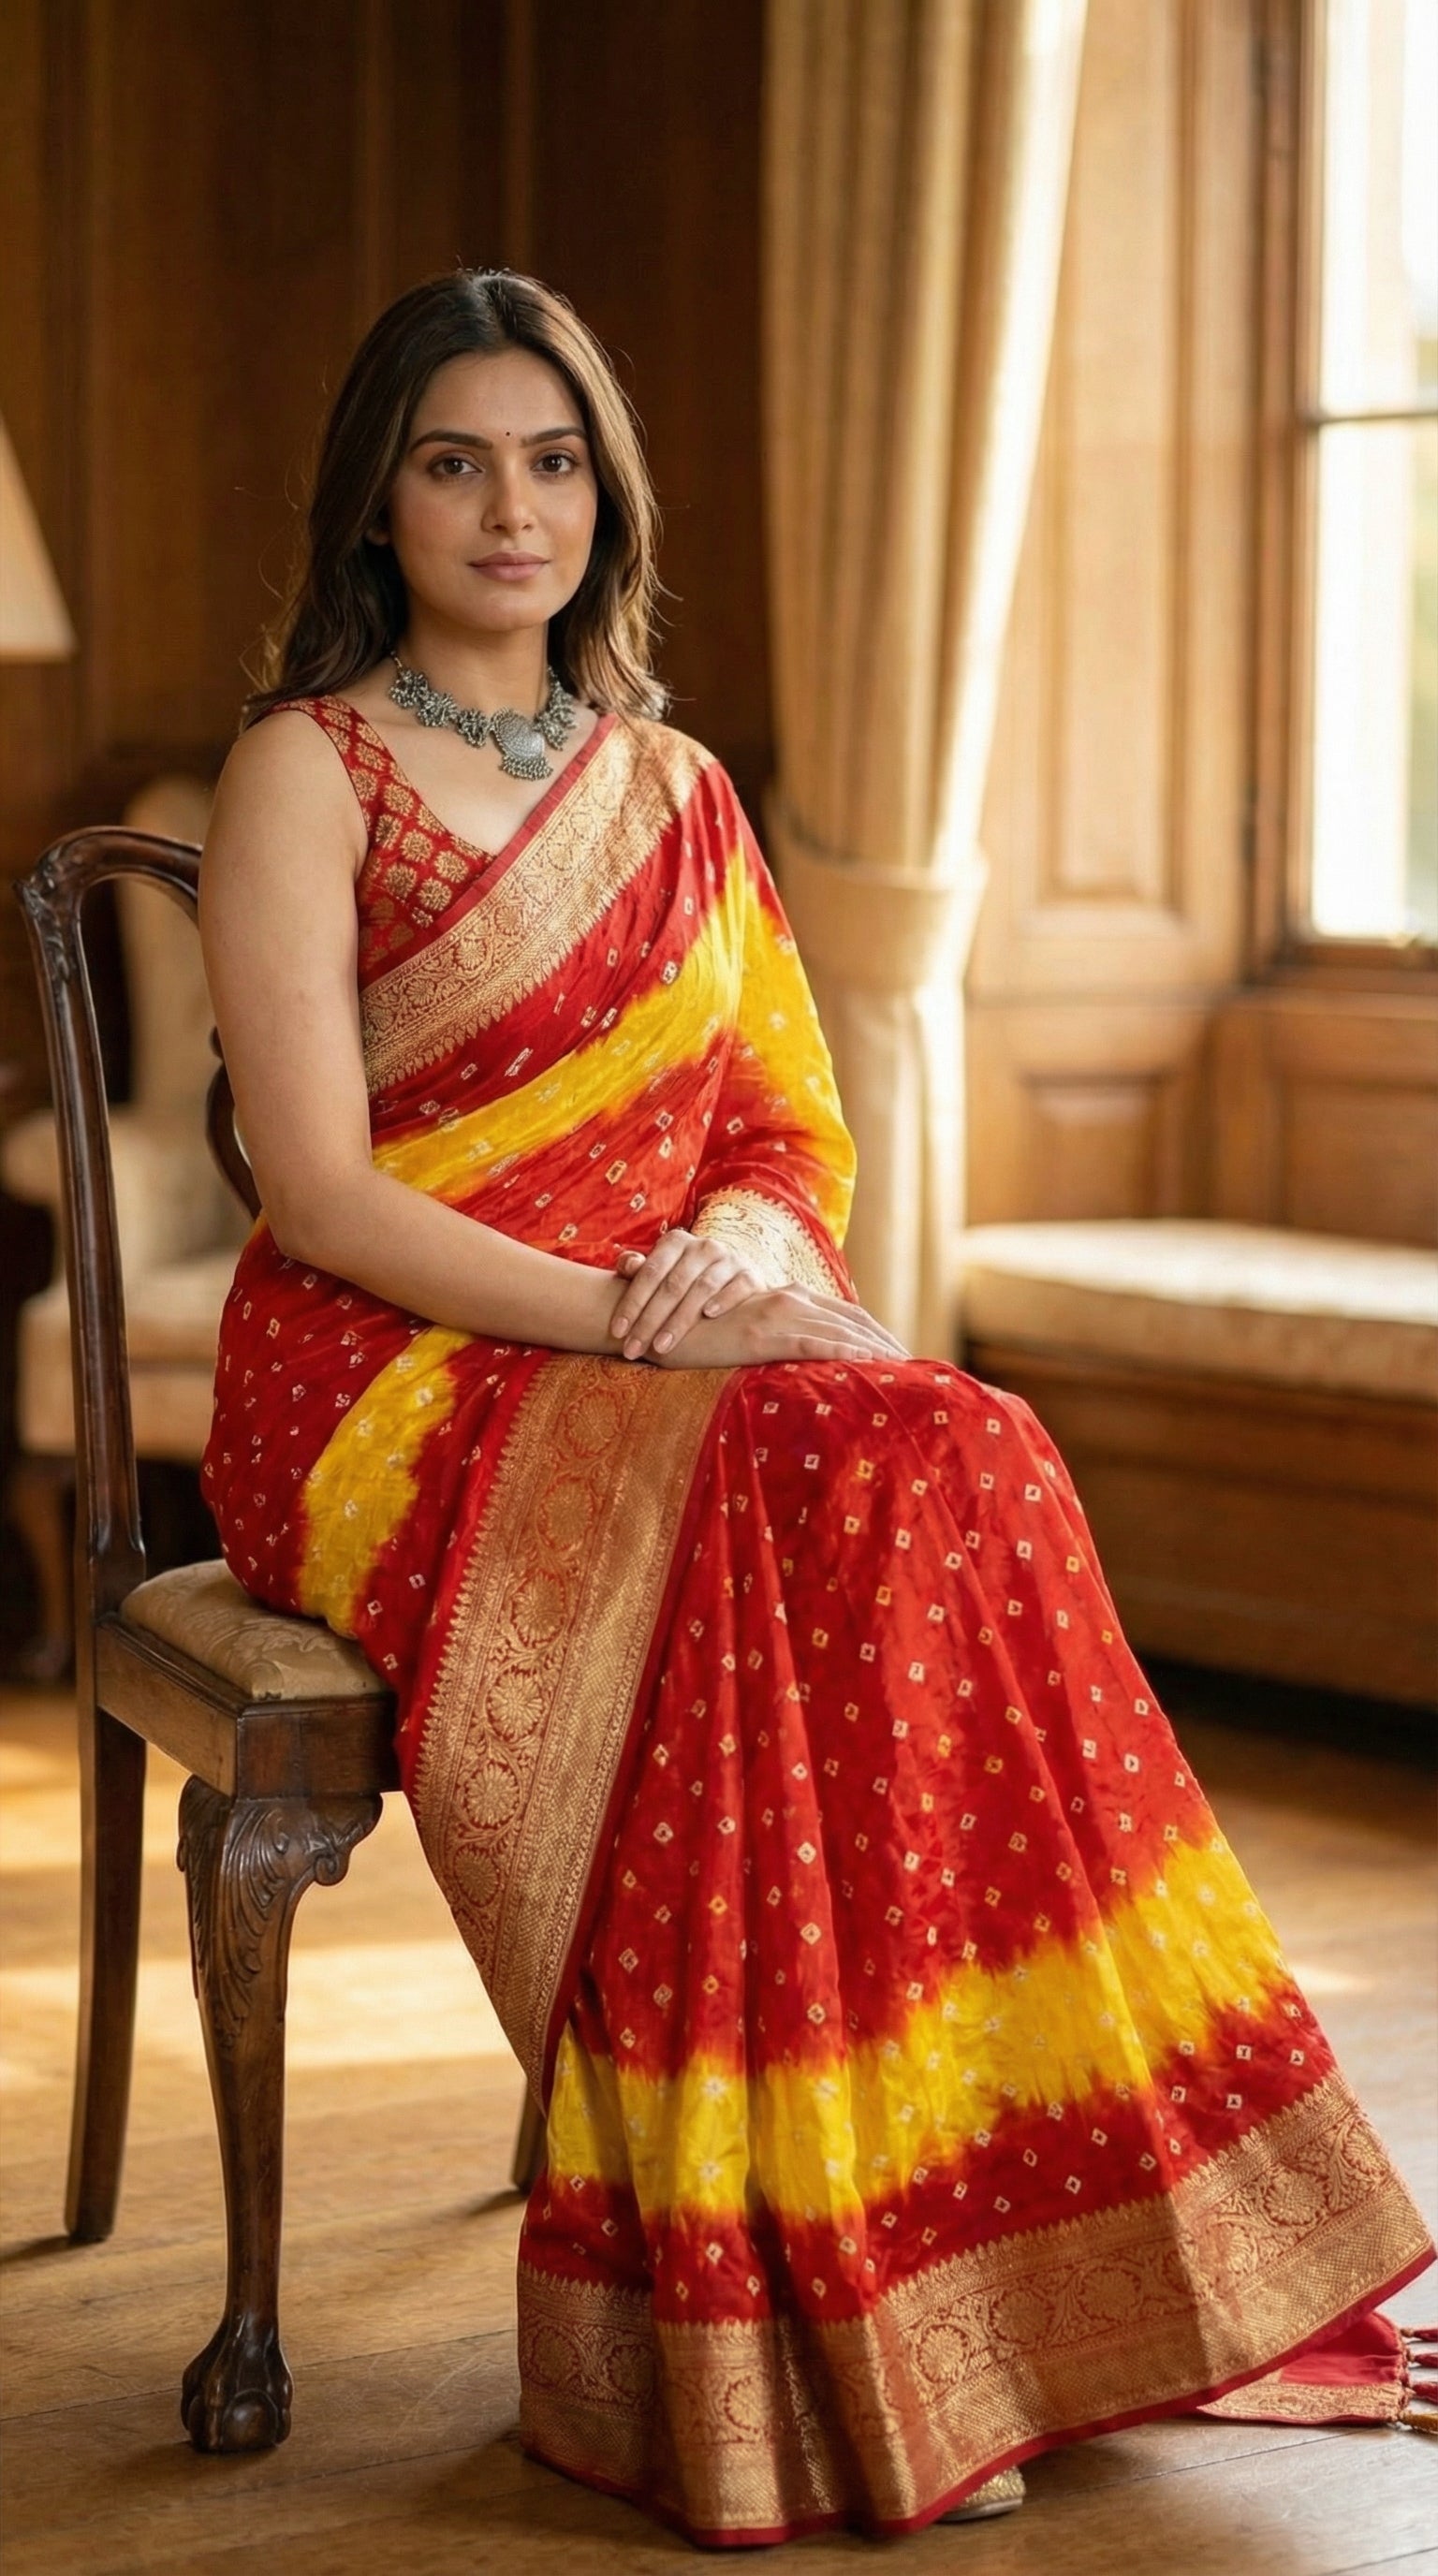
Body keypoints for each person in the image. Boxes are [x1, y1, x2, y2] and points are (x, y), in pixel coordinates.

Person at [198, 268, 1431, 2547]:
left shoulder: (673, 790)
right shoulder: (308, 767)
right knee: (800, 1479)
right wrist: (638, 1318)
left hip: (665, 1336)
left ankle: (990, 2231)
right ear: (380, 492)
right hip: (380, 1370)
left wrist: (750, 1264)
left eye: (554, 461)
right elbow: (325, 1190)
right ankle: (783, 2303)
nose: (511, 508)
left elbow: (780, 1126)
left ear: (605, 497)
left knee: (962, 1449)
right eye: (457, 458)